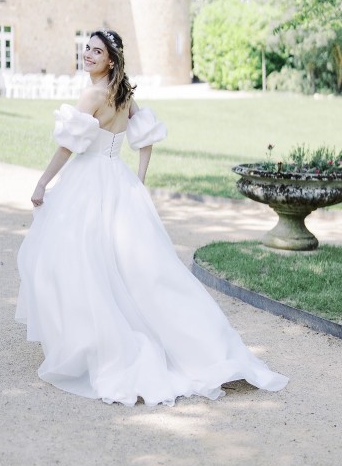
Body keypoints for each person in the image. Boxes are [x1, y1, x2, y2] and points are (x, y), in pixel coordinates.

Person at [16, 30, 288, 406]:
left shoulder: (94, 94)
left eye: (97, 51)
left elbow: (68, 145)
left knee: (71, 262)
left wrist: (43, 182)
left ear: (111, 59)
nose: (88, 55)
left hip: (90, 181)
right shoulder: (124, 94)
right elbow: (144, 138)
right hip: (118, 180)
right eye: (87, 49)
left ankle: (91, 345)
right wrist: (137, 181)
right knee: (134, 269)